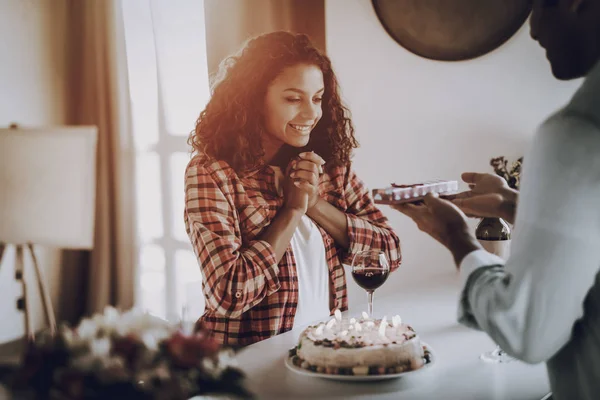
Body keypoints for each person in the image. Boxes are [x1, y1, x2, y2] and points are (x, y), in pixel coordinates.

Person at [395, 0, 600, 399]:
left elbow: (526, 331)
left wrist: (457, 237)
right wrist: (510, 202)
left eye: (540, 7)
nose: (533, 30)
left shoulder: (576, 133)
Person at [184, 31, 401, 347]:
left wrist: (315, 205)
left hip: (324, 356)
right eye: (293, 98)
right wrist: (293, 211)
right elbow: (228, 294)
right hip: (247, 370)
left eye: (317, 98)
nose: (312, 113)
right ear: (254, 98)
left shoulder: (331, 168)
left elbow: (389, 253)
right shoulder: (212, 173)